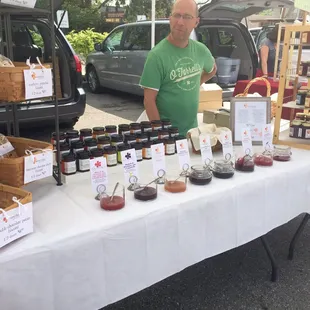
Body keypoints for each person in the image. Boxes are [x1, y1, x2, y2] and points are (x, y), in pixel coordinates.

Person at [139, 0, 217, 136]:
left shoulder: (201, 50)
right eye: (176, 15)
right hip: (168, 137)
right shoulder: (156, 56)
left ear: (196, 22)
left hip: (192, 134)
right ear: (170, 18)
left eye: (187, 17)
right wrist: (161, 134)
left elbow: (212, 70)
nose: (180, 22)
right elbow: (149, 101)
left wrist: (196, 83)